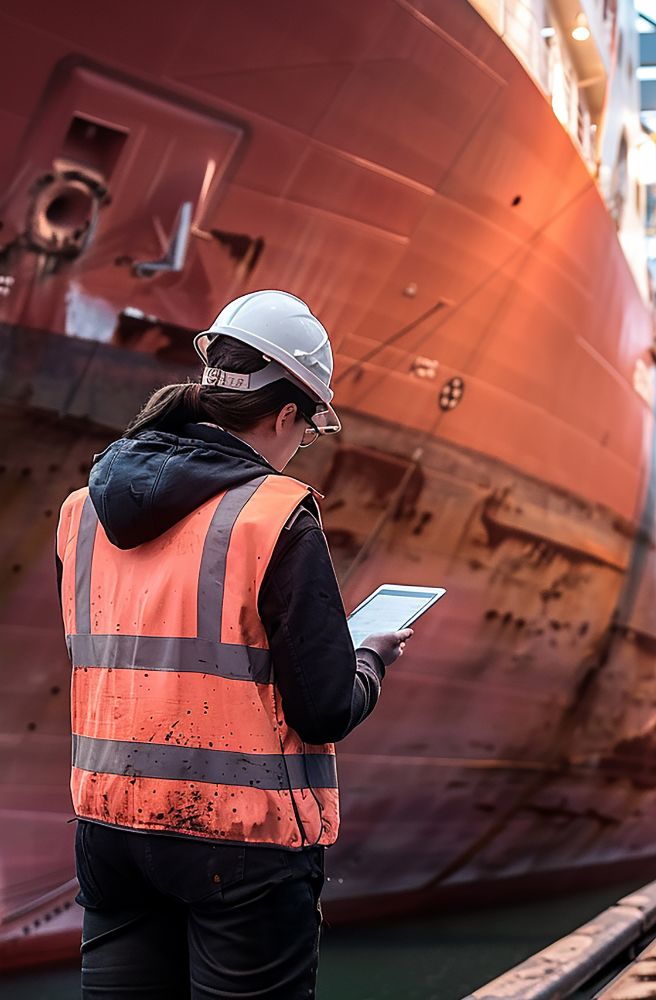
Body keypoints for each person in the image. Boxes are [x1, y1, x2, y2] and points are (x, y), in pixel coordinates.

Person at [55, 290, 413, 999]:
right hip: (241, 844)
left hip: (111, 827)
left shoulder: (82, 511)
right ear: (285, 415)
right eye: (306, 431)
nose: (300, 446)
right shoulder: (275, 515)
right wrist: (368, 658)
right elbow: (323, 708)